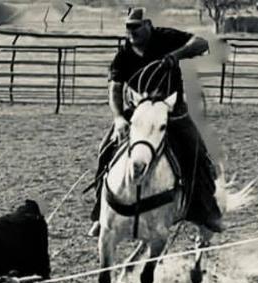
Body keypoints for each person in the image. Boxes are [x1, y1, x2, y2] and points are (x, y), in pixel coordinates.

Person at [88, 7, 224, 237]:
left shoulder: (166, 38)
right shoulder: (124, 55)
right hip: (138, 112)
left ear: (148, 25)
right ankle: (101, 212)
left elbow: (201, 44)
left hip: (173, 112)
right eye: (128, 27)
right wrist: (119, 118)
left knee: (197, 153)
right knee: (106, 150)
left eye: (136, 26)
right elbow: (115, 88)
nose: (131, 31)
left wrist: (175, 55)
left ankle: (204, 211)